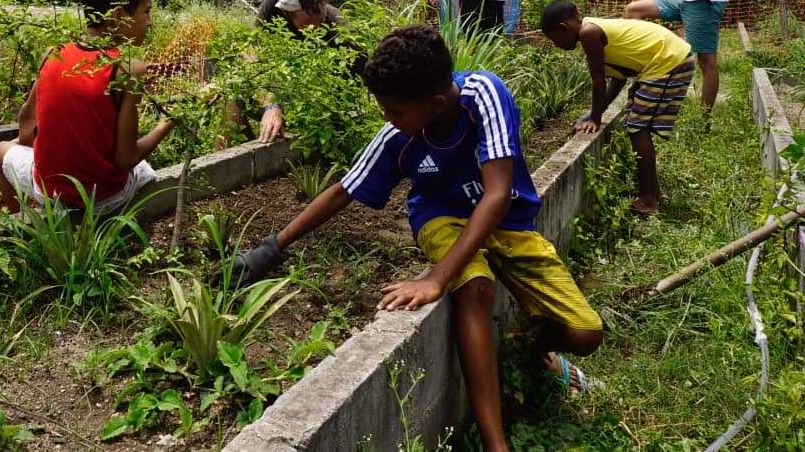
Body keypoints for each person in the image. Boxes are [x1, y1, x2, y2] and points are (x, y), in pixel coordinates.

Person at [231, 25, 602, 451]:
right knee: (475, 288)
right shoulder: (399, 136)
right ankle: (496, 445)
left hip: (508, 221)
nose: (387, 119)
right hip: (440, 218)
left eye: (394, 110)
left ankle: (533, 350)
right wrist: (272, 247)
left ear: (436, 103)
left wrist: (435, 279)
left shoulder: (484, 95)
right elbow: (342, 191)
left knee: (586, 332)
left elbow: (497, 195)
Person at [0, 0, 174, 213]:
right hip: (104, 198)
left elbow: (25, 126)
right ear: (119, 16)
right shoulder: (128, 69)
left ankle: (20, 224)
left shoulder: (53, 53)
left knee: (2, 149)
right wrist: (168, 123)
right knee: (143, 170)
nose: (150, 22)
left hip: (48, 191)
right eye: (146, 12)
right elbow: (126, 159)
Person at [540, 0, 694, 216]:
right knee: (636, 123)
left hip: (668, 61)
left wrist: (594, 118)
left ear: (564, 29)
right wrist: (594, 113)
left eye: (553, 38)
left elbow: (598, 81)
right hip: (667, 59)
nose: (555, 45)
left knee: (637, 127)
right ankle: (650, 193)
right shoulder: (596, 29)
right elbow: (617, 80)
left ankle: (650, 199)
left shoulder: (589, 33)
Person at [231, 0, 344, 143]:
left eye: (320, 21)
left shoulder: (340, 27)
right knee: (231, 92)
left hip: (316, 105)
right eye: (308, 26)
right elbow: (251, 49)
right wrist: (271, 104)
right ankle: (229, 153)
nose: (317, 29)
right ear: (286, 13)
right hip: (281, 89)